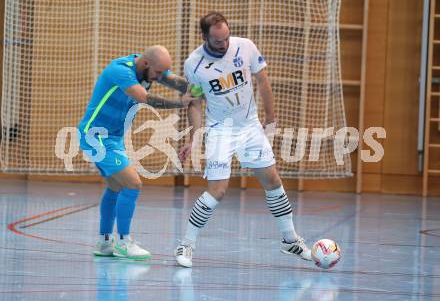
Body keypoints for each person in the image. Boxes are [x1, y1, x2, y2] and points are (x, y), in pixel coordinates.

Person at [175, 13, 312, 267]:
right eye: (218, 41)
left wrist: (270, 117)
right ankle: (186, 244)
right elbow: (194, 104)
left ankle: (290, 240)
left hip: (250, 127)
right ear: (205, 37)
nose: (224, 44)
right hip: (220, 131)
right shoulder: (193, 65)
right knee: (218, 191)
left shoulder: (245, 47)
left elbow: (263, 82)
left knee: (272, 181)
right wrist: (193, 138)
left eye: (226, 38)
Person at [78, 45, 196, 260]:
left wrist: (197, 89)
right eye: (158, 73)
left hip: (113, 138)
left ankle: (104, 242)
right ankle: (124, 242)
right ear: (146, 64)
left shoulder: (150, 68)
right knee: (134, 183)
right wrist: (181, 104)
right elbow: (145, 98)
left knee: (115, 186)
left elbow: (174, 82)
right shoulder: (121, 71)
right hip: (95, 136)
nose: (160, 77)